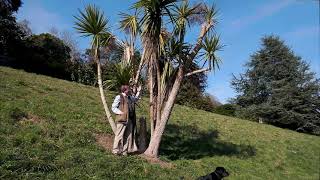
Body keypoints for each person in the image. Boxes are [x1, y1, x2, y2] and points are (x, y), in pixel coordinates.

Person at [111, 84, 141, 155]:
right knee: (119, 135)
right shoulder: (119, 97)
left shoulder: (130, 97)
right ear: (125, 90)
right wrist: (121, 113)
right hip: (122, 119)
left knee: (127, 136)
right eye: (129, 89)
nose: (130, 90)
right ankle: (115, 151)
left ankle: (124, 151)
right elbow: (113, 107)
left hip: (129, 120)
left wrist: (138, 92)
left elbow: (136, 99)